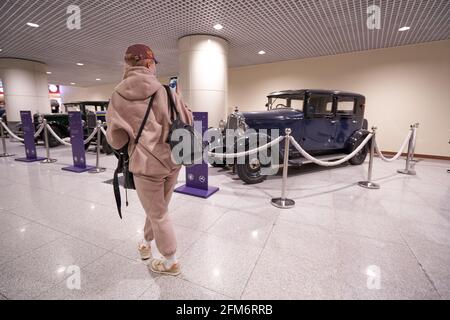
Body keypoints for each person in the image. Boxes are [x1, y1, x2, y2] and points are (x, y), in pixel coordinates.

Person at [106, 44, 193, 276]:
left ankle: (170, 261)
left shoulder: (117, 95)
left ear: (128, 65)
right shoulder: (166, 91)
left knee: (157, 212)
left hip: (145, 166)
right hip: (172, 161)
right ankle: (146, 243)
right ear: (148, 63)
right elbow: (188, 120)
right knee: (159, 209)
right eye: (154, 63)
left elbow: (116, 139)